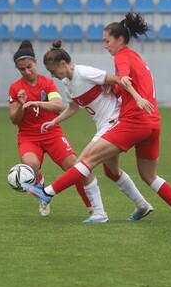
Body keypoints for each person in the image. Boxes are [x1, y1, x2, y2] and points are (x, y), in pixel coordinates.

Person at [23, 12, 171, 223]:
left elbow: (123, 78)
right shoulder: (136, 58)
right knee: (127, 173)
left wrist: (133, 95)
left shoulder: (118, 58)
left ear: (119, 40)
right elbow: (96, 95)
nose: (105, 45)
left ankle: (52, 194)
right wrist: (55, 121)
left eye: (107, 41)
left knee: (84, 162)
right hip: (152, 122)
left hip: (129, 121)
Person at [41, 40, 154, 222]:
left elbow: (119, 80)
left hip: (113, 121)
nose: (53, 75)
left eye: (53, 71)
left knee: (81, 165)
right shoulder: (67, 82)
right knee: (112, 171)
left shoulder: (84, 72)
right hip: (103, 125)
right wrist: (54, 121)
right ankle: (142, 205)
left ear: (63, 64)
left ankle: (99, 213)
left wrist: (135, 96)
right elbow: (73, 108)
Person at [8, 40, 91, 218]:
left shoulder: (47, 83)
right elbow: (14, 120)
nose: (27, 72)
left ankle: (92, 209)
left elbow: (57, 105)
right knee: (30, 165)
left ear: (35, 63)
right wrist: (21, 106)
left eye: (29, 66)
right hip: (28, 136)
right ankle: (41, 188)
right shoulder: (15, 88)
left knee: (74, 167)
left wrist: (37, 103)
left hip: (51, 133)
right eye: (22, 69)